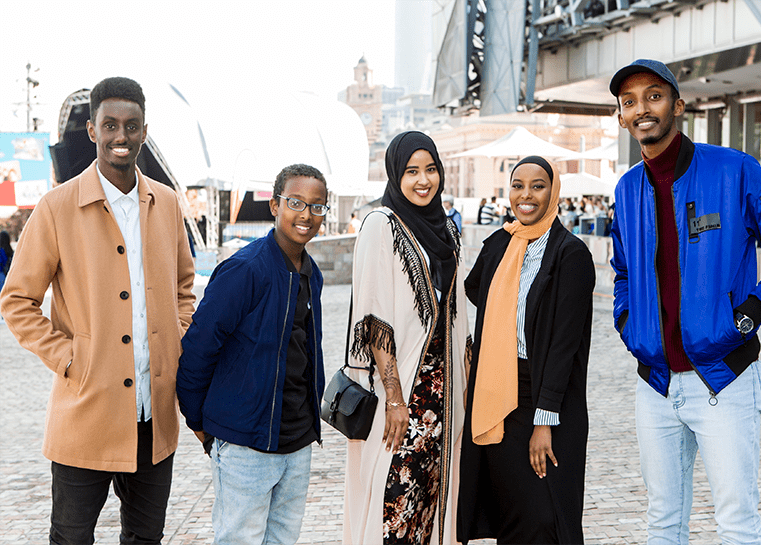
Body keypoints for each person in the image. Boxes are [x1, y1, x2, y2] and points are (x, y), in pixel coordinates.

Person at [609, 59, 761, 544]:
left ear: (678, 105)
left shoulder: (734, 171)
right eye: (629, 101)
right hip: (656, 386)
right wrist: (627, 321)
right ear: (622, 117)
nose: (643, 108)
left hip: (724, 378)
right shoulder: (626, 190)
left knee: (737, 525)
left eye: (654, 95)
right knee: (663, 523)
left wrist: (753, 310)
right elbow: (622, 270)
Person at [0, 77, 196, 544]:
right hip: (85, 414)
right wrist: (70, 359)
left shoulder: (166, 204)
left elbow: (184, 287)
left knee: (146, 539)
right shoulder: (56, 207)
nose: (120, 136)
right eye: (109, 125)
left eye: (131, 125)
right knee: (71, 538)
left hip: (154, 418)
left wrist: (177, 337)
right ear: (92, 130)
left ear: (145, 131)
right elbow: (17, 300)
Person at [176, 164, 328, 544]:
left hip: (297, 441)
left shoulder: (312, 273)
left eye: (317, 206)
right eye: (296, 202)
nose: (306, 214)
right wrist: (199, 420)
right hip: (245, 443)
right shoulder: (245, 270)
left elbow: (305, 353)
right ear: (275, 206)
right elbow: (197, 348)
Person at [457, 156, 594, 544]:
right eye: (518, 185)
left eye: (538, 185)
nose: (526, 195)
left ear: (553, 192)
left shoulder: (571, 254)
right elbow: (473, 288)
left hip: (546, 397)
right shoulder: (501, 242)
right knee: (513, 513)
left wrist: (544, 422)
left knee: (546, 517)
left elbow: (565, 347)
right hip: (500, 392)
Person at [343, 131, 470, 545]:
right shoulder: (381, 225)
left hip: (443, 394)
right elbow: (374, 317)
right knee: (393, 502)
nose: (423, 180)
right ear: (395, 174)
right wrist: (395, 399)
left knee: (431, 502)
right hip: (401, 397)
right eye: (412, 171)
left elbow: (458, 311)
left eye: (431, 169)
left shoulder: (448, 231)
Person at [0, 230, 12, 294]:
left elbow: (2, 261)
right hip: (10, 276)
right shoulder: (11, 251)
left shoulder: (1, 250)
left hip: (1, 275)